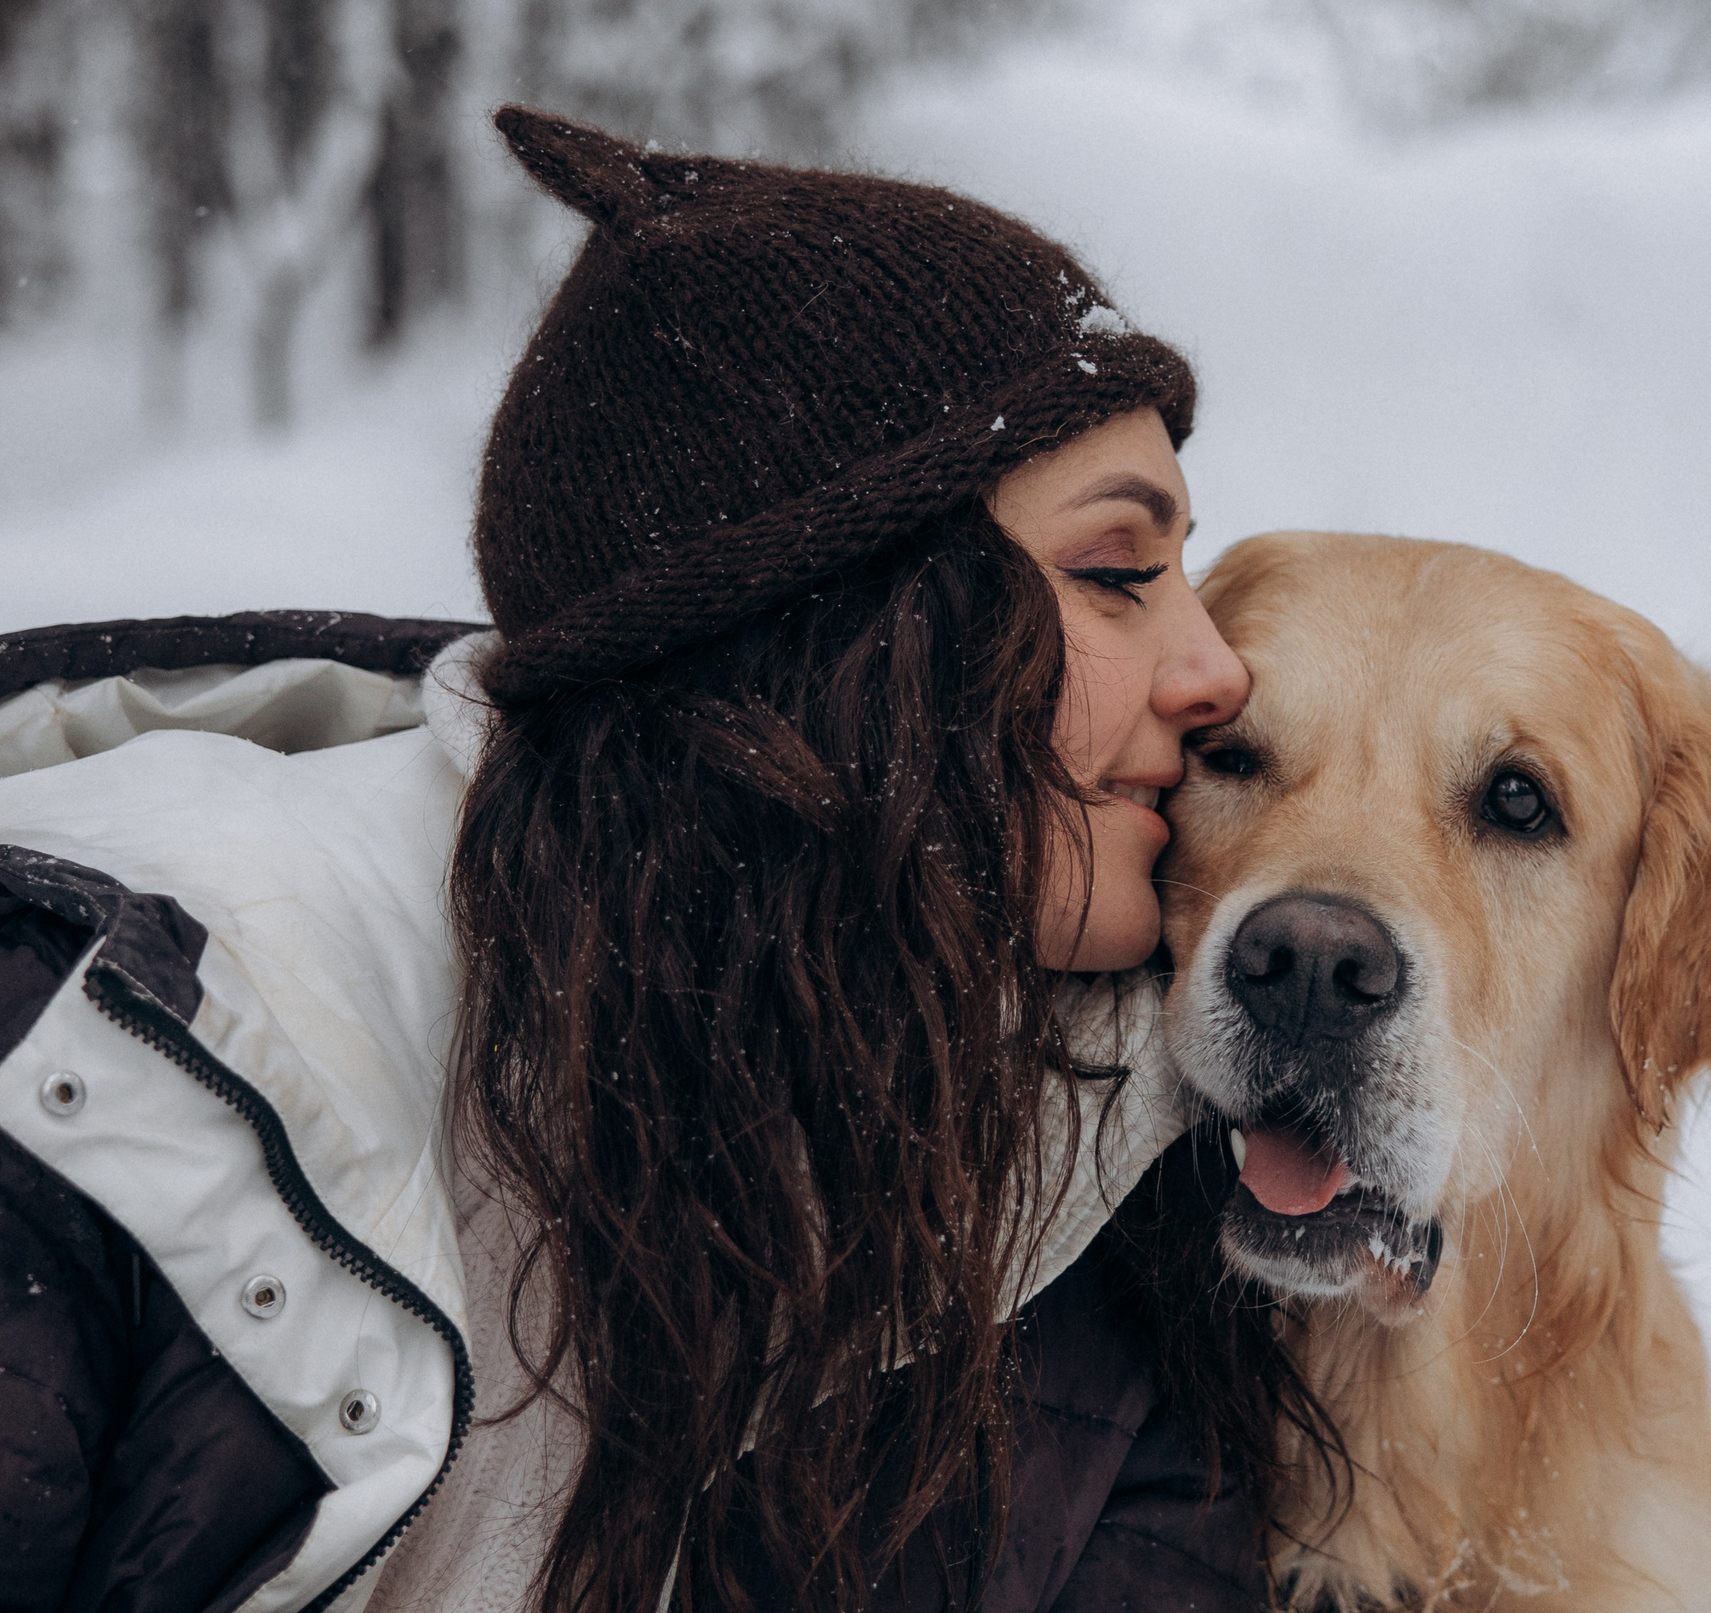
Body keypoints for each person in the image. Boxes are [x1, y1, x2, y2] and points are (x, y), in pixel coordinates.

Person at [0, 107, 1325, 1613]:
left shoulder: (1090, 1182)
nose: (1218, 671)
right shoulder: (102, 1066)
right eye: (1117, 572)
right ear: (824, 632)